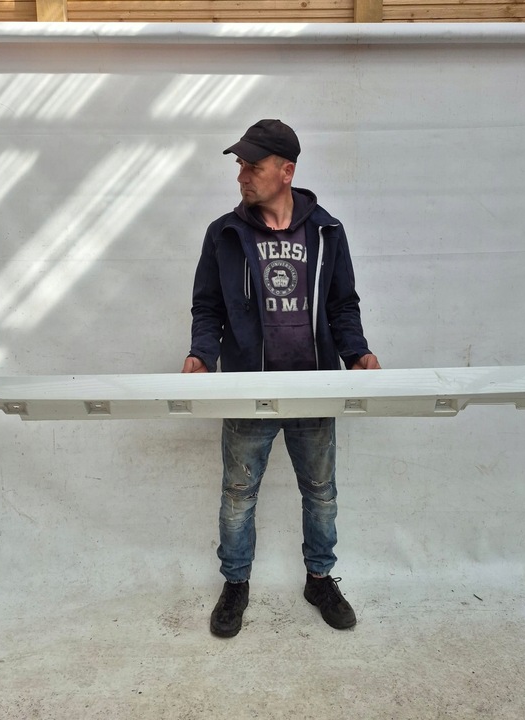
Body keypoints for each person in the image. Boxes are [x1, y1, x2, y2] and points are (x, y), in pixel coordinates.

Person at [182, 119, 380, 637]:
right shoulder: (224, 234)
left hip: (314, 388)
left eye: (253, 166)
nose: (242, 176)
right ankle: (235, 583)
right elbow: (208, 306)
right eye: (240, 166)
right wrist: (202, 354)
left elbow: (342, 304)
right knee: (238, 494)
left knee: (320, 493)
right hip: (250, 389)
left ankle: (319, 579)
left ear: (286, 171)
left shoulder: (327, 232)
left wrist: (357, 353)